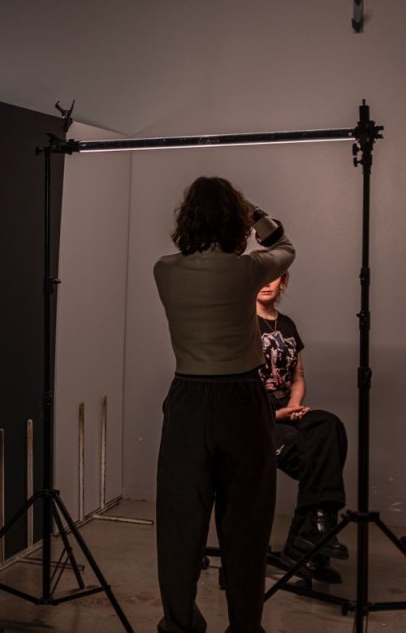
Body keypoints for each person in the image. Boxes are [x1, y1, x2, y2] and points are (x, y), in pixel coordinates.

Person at [153, 176, 294, 633]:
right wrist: (254, 212)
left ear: (186, 218)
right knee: (247, 524)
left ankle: (179, 624)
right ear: (235, 221)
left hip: (188, 399)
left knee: (180, 524)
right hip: (242, 400)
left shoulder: (165, 269)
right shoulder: (248, 269)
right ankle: (245, 626)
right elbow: (285, 245)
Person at [256, 273, 349, 582]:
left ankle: (313, 533)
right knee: (311, 452)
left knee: (329, 427)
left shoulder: (288, 324)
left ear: (284, 282)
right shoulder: (239, 321)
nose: (267, 283)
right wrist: (277, 414)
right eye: (261, 277)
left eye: (275, 278)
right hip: (255, 415)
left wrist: (293, 406)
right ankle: (309, 540)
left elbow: (298, 376)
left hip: (286, 408)